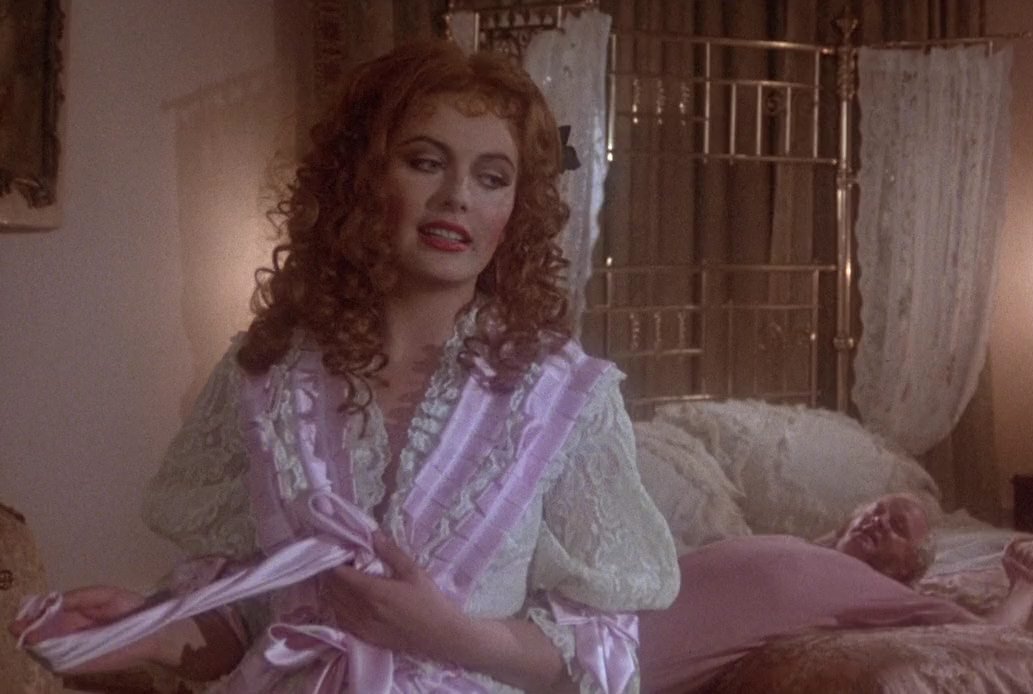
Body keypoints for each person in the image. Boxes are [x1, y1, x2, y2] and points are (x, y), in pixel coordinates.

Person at [10, 39, 679, 693]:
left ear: (516, 208)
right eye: (425, 162)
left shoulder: (563, 398)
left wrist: (447, 635)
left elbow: (604, 652)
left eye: (491, 177)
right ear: (363, 177)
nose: (456, 197)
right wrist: (151, 631)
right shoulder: (266, 376)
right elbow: (246, 621)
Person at [637, 493, 1033, 694]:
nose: (879, 521)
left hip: (630, 659)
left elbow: (988, 634)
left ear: (909, 569)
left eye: (897, 527)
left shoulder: (882, 592)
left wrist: (1025, 589)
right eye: (876, 511)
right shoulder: (796, 544)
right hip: (626, 602)